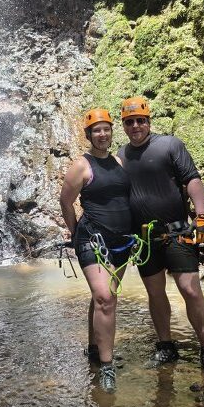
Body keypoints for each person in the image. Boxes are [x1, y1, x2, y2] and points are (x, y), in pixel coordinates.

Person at [117, 96, 204, 380]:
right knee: (155, 293)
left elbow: (192, 179)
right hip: (144, 239)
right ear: (124, 126)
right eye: (129, 122)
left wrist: (201, 216)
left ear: (148, 121)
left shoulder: (169, 145)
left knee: (190, 290)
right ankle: (166, 345)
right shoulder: (120, 156)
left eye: (140, 120)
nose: (136, 126)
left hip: (177, 231)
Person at [60, 108, 132, 392]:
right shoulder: (81, 165)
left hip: (122, 240)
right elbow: (66, 202)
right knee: (105, 297)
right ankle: (107, 366)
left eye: (106, 129)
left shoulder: (118, 161)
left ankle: (94, 348)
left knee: (103, 297)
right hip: (92, 239)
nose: (102, 134)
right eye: (96, 130)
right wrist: (77, 231)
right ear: (88, 135)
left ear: (111, 132)